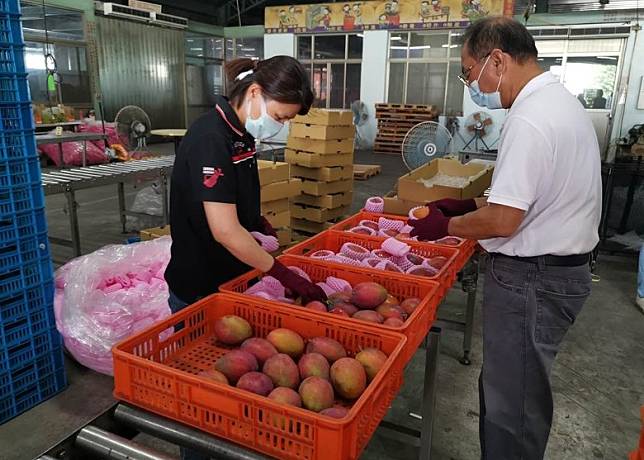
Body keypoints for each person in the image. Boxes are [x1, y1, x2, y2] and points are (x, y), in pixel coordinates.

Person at [407, 17, 601, 460]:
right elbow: (536, 199)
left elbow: (505, 221)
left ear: (497, 60)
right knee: (512, 389)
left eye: (468, 71)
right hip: (557, 273)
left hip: (533, 279)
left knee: (511, 407)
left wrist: (447, 226)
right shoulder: (560, 103)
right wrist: (464, 205)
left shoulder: (530, 118)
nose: (470, 83)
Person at [165, 56, 326, 460]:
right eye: (280, 116)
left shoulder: (240, 137)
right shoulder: (210, 139)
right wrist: (282, 273)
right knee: (204, 405)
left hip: (232, 285)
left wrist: (259, 225)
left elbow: (237, 211)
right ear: (254, 94)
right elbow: (223, 230)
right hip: (200, 290)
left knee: (234, 395)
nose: (281, 126)